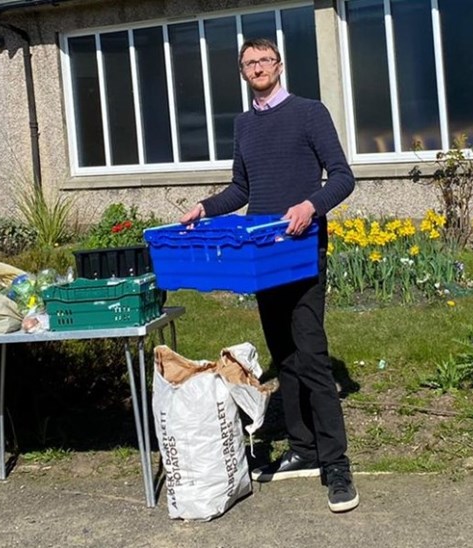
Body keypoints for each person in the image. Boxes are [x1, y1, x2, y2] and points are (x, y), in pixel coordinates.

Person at [179, 38, 358, 513]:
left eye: (265, 60)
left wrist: (310, 206)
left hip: (300, 250)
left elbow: (342, 176)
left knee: (312, 353)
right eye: (249, 63)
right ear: (243, 73)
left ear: (279, 65)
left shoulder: (309, 112)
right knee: (284, 354)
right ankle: (302, 447)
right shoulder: (243, 125)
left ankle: (336, 463)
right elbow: (242, 187)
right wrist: (205, 207)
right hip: (262, 255)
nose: (258, 67)